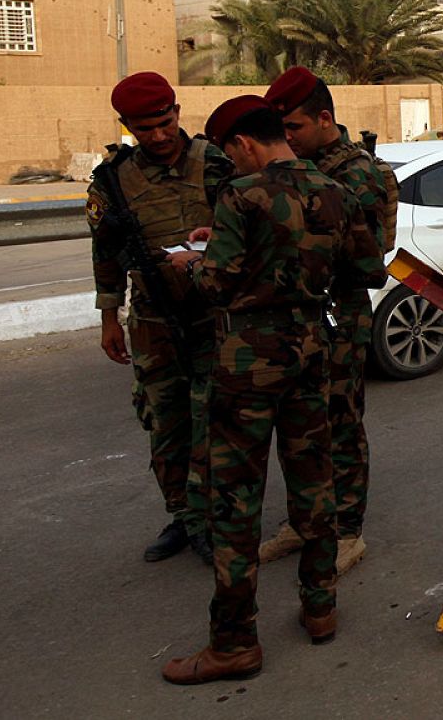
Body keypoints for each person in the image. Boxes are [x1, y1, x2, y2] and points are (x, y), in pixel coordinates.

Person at [160, 96, 385, 685]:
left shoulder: (242, 195)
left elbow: (216, 284)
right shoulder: (336, 189)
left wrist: (188, 263)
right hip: (312, 350)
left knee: (234, 501)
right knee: (314, 484)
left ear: (242, 144)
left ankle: (233, 643)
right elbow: (367, 271)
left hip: (248, 361)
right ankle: (319, 609)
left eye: (228, 153)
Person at [253, 67, 399, 576]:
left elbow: (364, 253)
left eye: (292, 127)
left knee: (338, 421)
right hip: (295, 314)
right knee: (297, 424)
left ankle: (346, 530)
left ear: (324, 118)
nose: (285, 138)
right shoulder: (294, 169)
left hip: (338, 313)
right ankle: (304, 519)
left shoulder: (354, 173)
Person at [86, 71, 232, 565]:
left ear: (177, 111)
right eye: (144, 128)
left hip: (212, 313)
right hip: (151, 317)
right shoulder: (115, 179)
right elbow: (104, 251)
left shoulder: (216, 163)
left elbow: (249, 226)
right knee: (164, 420)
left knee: (213, 419)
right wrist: (110, 316)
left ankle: (215, 517)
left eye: (165, 122)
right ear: (126, 125)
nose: (159, 136)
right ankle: (182, 516)